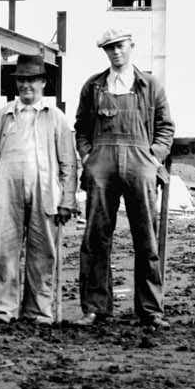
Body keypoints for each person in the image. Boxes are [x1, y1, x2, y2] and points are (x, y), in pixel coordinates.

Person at [74, 27, 174, 331]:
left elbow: (166, 127)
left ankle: (150, 310)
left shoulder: (150, 85)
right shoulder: (94, 86)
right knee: (96, 237)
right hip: (101, 164)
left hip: (139, 164)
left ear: (132, 46)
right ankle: (95, 308)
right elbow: (80, 127)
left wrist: (153, 157)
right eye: (109, 49)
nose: (116, 52)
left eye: (120, 47)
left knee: (146, 238)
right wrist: (89, 158)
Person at [0, 57, 78, 324]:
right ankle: (3, 308)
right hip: (7, 191)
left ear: (43, 83)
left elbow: (69, 162)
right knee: (2, 250)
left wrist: (67, 200)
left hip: (45, 193)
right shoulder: (3, 115)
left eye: (31, 80)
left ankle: (37, 311)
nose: (26, 86)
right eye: (21, 80)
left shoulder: (55, 116)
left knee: (42, 252)